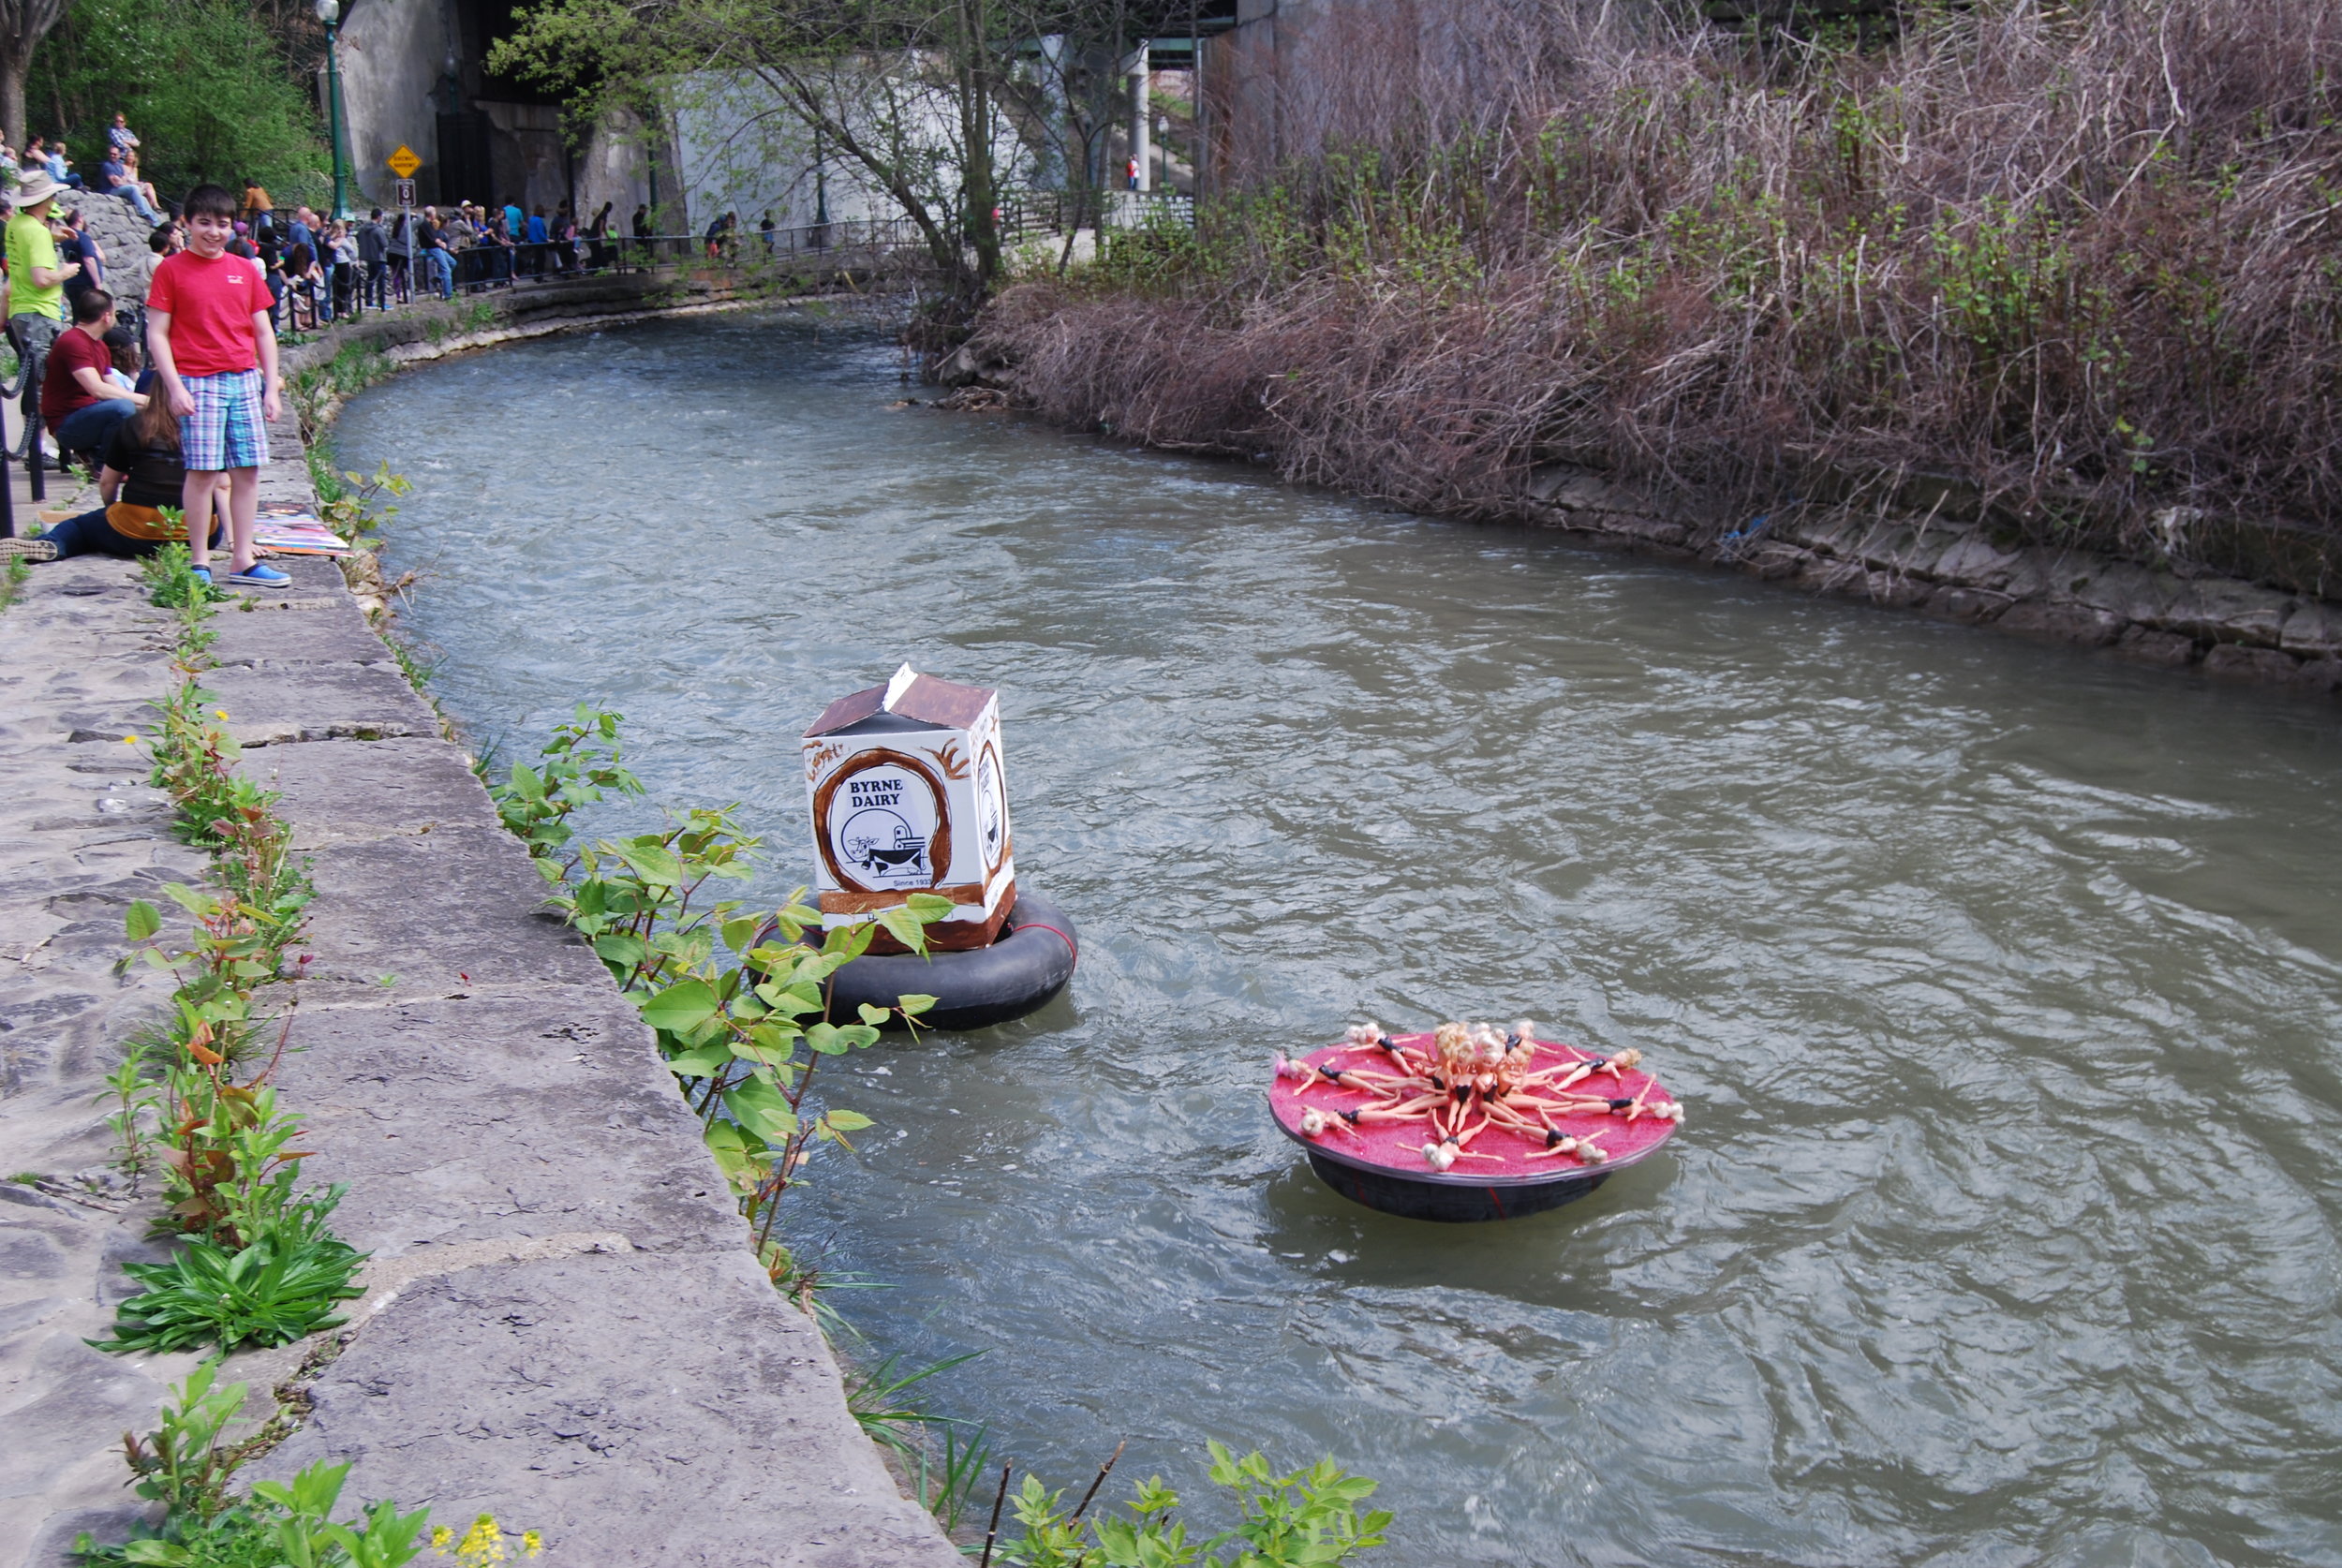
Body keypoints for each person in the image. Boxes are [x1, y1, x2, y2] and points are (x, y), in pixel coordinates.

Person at [145, 181, 289, 590]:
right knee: (203, 472)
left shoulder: (244, 270)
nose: (213, 231)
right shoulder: (170, 270)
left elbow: (263, 332)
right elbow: (158, 334)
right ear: (187, 223)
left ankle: (243, 558)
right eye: (204, 222)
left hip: (243, 378)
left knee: (247, 471)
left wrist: (270, 388)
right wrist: (174, 387)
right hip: (197, 379)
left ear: (234, 228)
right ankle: (200, 562)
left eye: (222, 224)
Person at [3, 397, 227, 562]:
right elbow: (224, 485)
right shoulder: (213, 426)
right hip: (200, 531)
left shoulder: (135, 425)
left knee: (80, 527)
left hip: (135, 526)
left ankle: (52, 544)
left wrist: (110, 509)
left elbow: (107, 482)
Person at [7, 170, 81, 442]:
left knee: (33, 380)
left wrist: (53, 238)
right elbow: (42, 278)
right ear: (46, 199)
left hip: (21, 309)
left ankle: (34, 444)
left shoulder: (17, 223)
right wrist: (66, 272)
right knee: (41, 383)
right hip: (40, 311)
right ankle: (36, 448)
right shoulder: (36, 232)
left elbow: (25, 257)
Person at [41, 286, 143, 463]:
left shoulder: (99, 345)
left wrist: (148, 405)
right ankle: (103, 464)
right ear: (106, 316)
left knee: (136, 408)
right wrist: (145, 400)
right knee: (123, 408)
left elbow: (113, 386)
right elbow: (97, 389)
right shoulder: (73, 342)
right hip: (68, 424)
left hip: (89, 414)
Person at [94, 146, 160, 224]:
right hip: (109, 190)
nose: (112, 156)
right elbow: (115, 183)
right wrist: (120, 180)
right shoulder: (107, 166)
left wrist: (120, 180)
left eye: (115, 154)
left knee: (143, 198)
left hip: (119, 188)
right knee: (133, 188)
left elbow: (123, 180)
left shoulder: (119, 165)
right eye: (111, 154)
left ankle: (154, 220)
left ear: (119, 155)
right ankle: (143, 212)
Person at [357, 208, 389, 309]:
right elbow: (384, 244)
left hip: (369, 257)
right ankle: (381, 302)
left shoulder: (362, 229)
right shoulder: (378, 230)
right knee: (381, 281)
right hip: (379, 258)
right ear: (379, 217)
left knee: (370, 279)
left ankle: (369, 301)